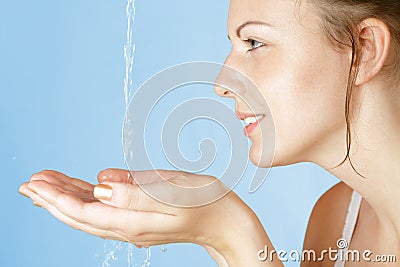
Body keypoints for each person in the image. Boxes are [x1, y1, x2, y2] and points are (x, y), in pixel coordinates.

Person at [19, 0, 400, 266]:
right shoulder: (335, 222)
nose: (221, 83)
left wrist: (228, 231)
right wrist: (223, 227)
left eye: (254, 43)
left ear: (363, 50)